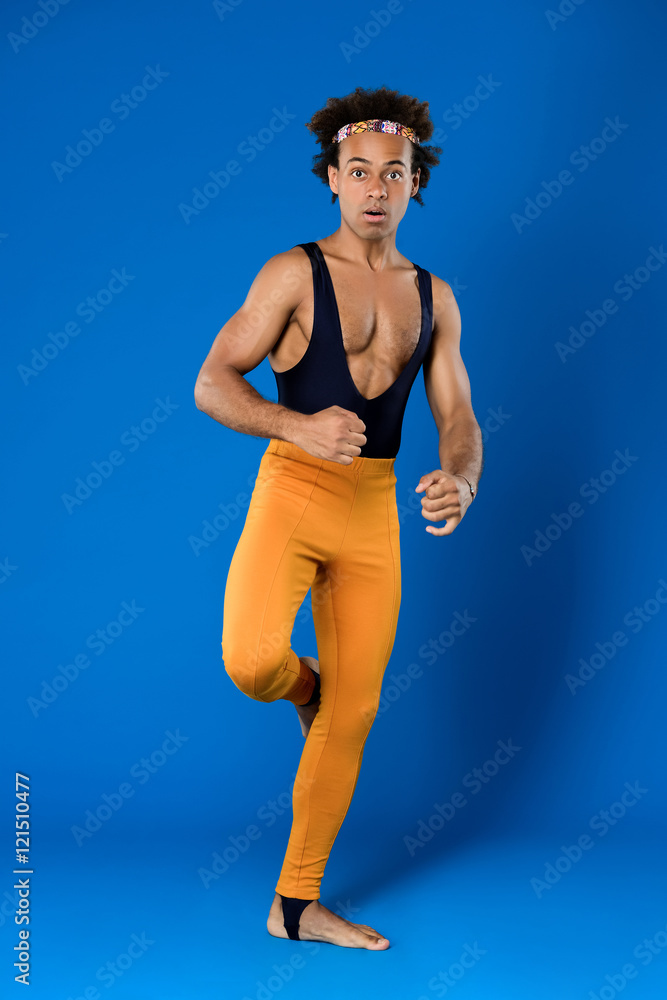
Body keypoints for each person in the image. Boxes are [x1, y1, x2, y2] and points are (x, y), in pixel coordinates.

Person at [194, 85, 483, 950]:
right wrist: (296, 424)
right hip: (292, 485)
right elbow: (212, 381)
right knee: (251, 662)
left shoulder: (434, 298)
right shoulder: (290, 274)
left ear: (412, 186)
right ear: (330, 179)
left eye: (391, 174)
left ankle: (296, 906)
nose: (372, 188)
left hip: (374, 510)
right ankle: (306, 686)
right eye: (356, 171)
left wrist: (463, 478)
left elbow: (459, 415)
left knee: (354, 717)